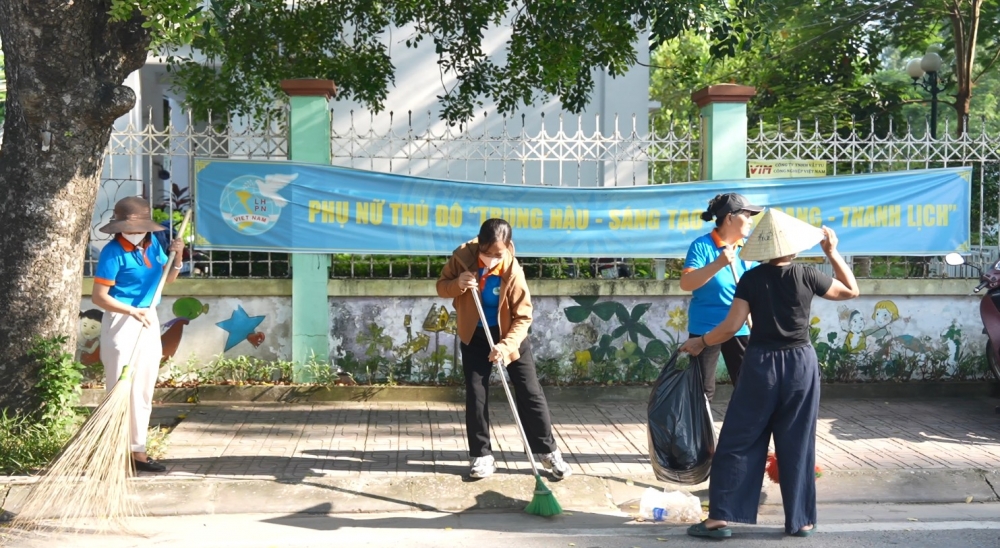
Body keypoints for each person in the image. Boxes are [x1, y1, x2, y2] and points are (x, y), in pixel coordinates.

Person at [680, 208, 860, 539]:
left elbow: (732, 327)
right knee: (797, 441)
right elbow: (851, 291)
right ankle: (801, 520)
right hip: (801, 365)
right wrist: (833, 253)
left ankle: (720, 518)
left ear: (763, 248)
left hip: (761, 365)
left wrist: (700, 341)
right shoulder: (808, 275)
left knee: (738, 439)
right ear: (793, 247)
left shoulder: (752, 278)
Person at [436, 218, 572, 480]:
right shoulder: (463, 258)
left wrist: (505, 346)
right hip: (474, 334)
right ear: (479, 246)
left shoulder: (513, 271)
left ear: (508, 246)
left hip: (509, 335)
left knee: (530, 392)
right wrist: (459, 284)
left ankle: (547, 451)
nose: (490, 259)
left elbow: (524, 317)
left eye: (497, 253)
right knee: (476, 393)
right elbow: (442, 287)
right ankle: (482, 455)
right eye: (486, 253)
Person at [91, 196, 185, 473]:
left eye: (140, 227)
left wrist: (177, 256)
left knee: (143, 387)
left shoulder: (153, 243)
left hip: (148, 318)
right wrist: (132, 312)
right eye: (130, 228)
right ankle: (113, 450)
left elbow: (165, 280)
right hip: (122, 319)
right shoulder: (112, 252)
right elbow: (99, 297)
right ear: (119, 227)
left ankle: (138, 451)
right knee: (121, 387)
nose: (136, 232)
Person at [680, 193, 763, 401]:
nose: (751, 219)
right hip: (705, 328)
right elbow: (686, 283)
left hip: (740, 326)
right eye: (747, 214)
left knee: (749, 388)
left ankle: (745, 433)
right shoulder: (702, 246)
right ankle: (700, 434)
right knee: (701, 393)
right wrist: (718, 264)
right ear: (729, 217)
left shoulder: (749, 250)